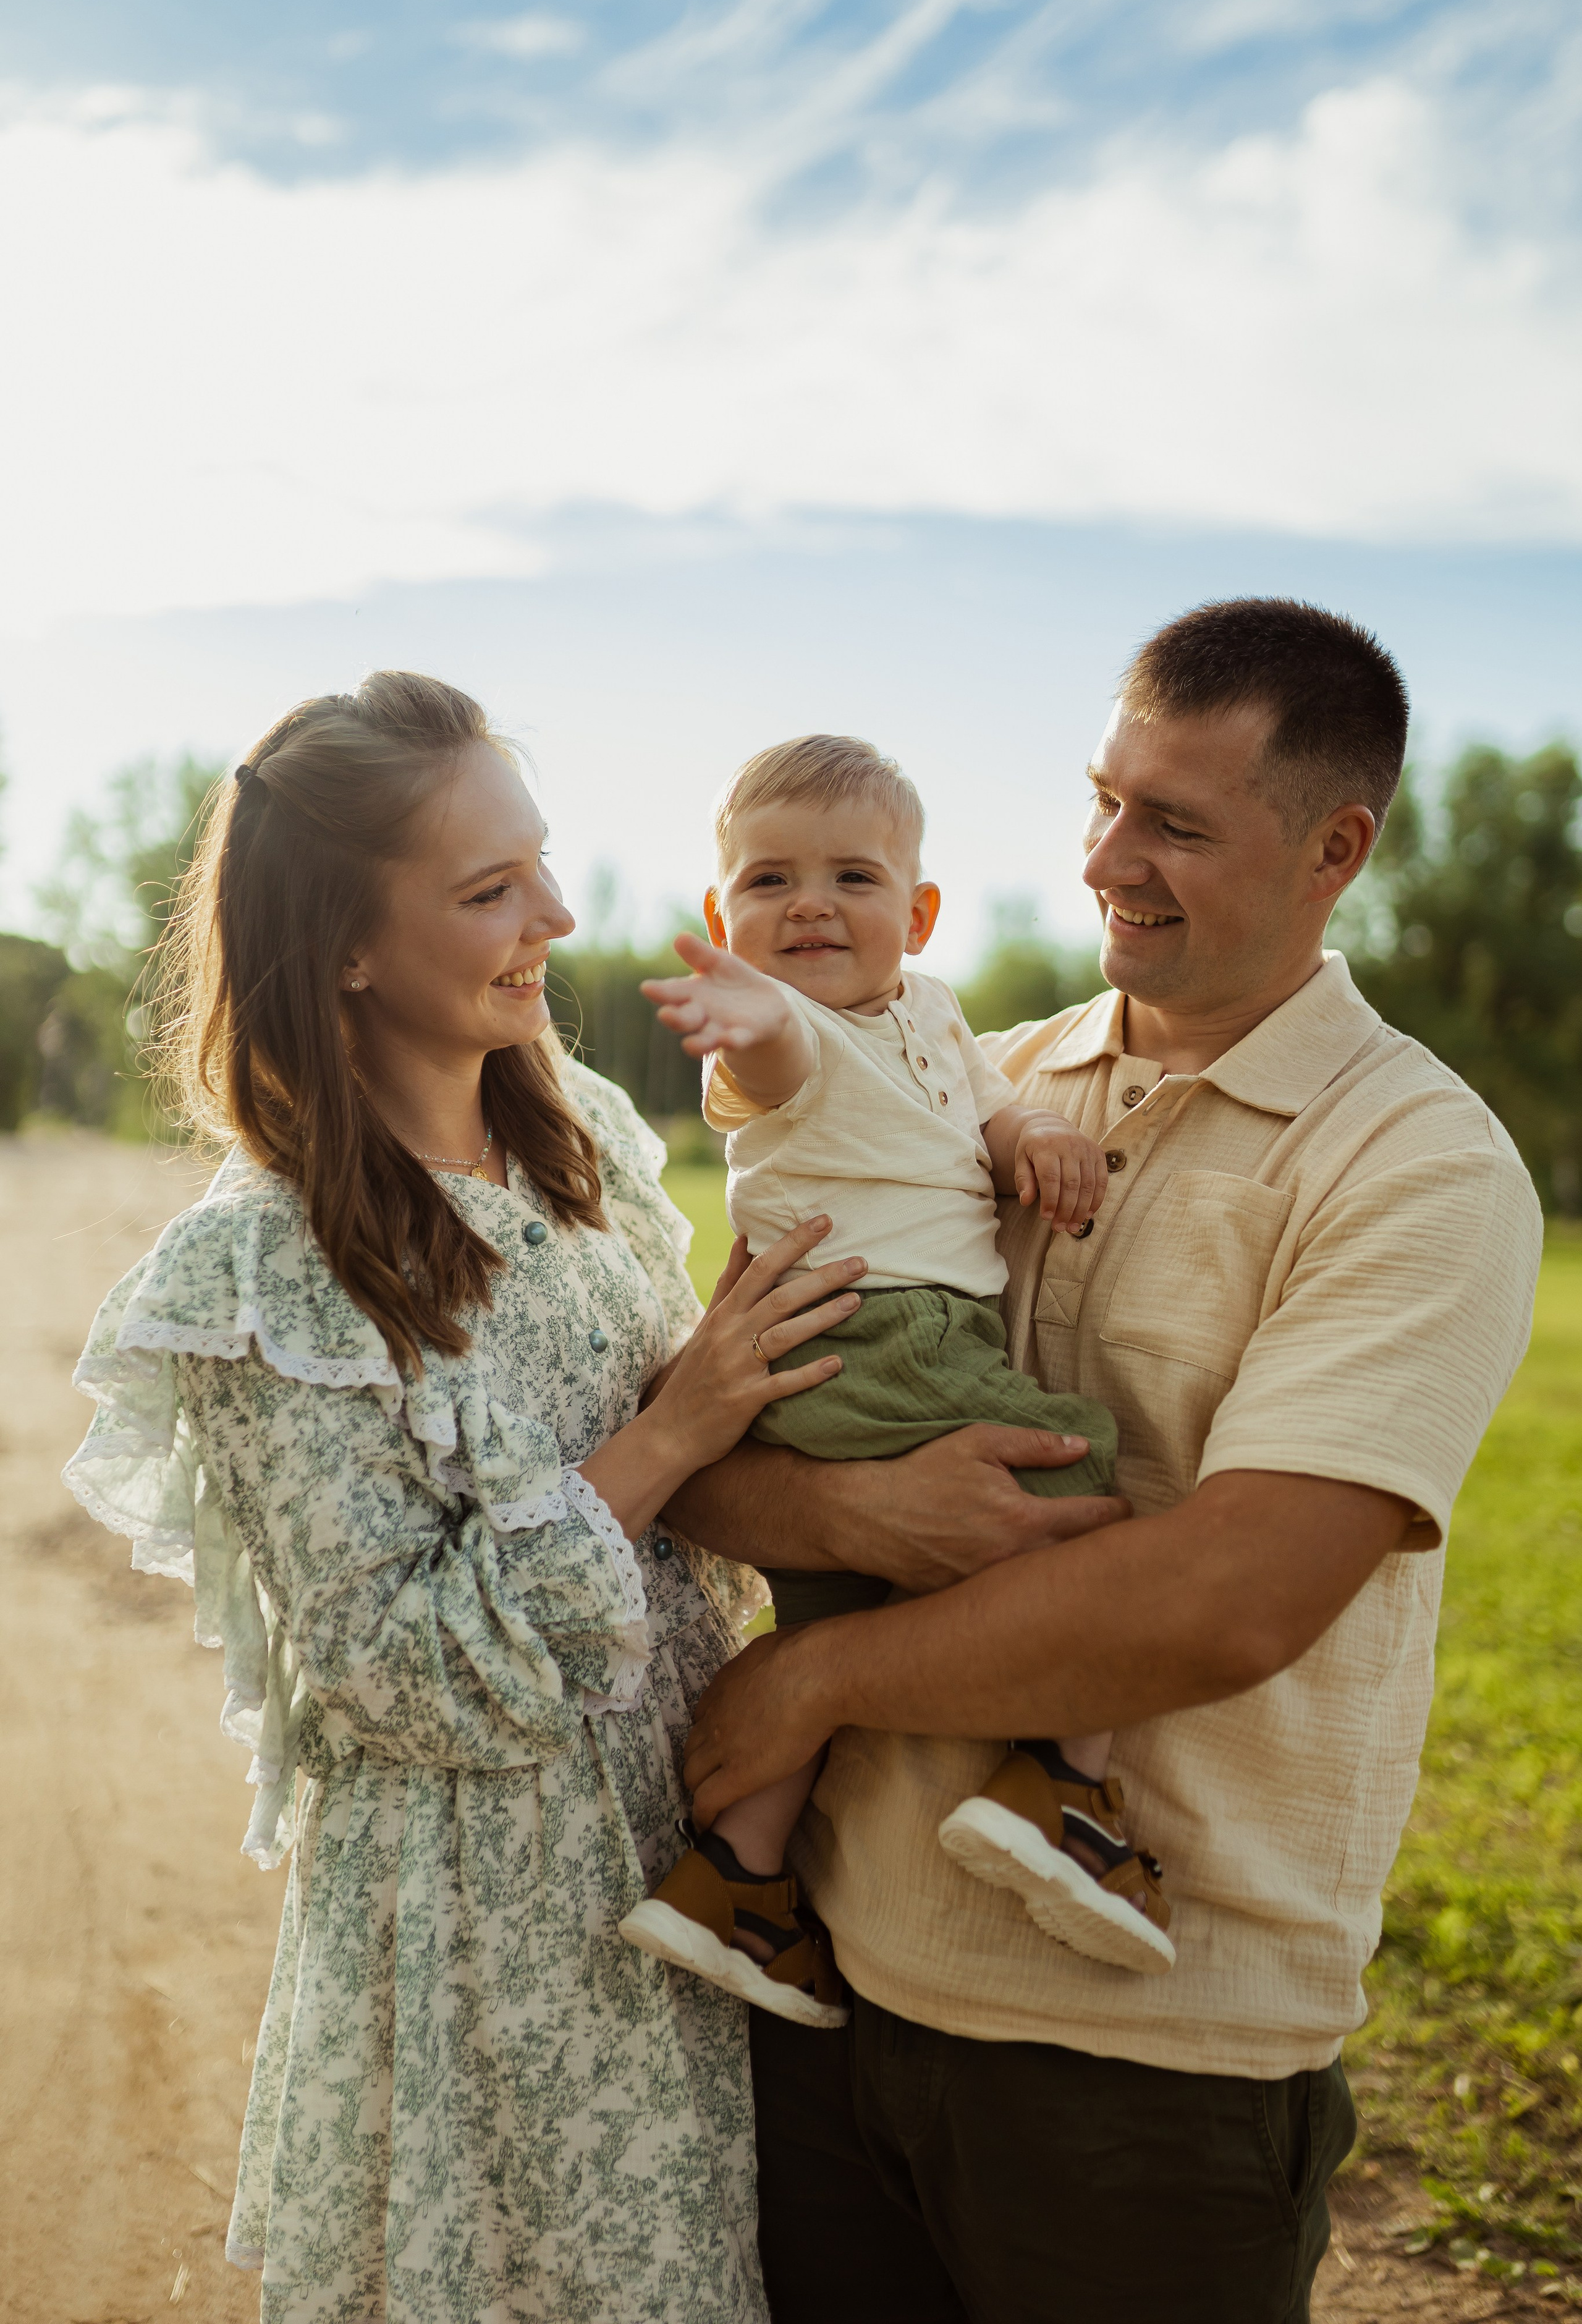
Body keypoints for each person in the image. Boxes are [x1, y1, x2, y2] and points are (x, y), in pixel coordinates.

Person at [665, 601, 1544, 2324]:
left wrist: (809, 1680)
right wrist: (854, 1509)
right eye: (1102, 800)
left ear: (1334, 850)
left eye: (1175, 826)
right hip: (836, 1992)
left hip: (1150, 2062)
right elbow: (704, 1443)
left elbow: (1231, 1601)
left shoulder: (1417, 1166)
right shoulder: (960, 1086)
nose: (1102, 863)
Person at [61, 671, 871, 2324]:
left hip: (693, 1857)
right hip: (487, 1927)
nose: (555, 917)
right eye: (490, 890)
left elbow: (686, 1447)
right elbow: (396, 1671)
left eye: (542, 864)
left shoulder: (580, 1140)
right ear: (346, 950)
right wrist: (674, 1428)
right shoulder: (260, 1271)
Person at [619, 736, 1172, 2026]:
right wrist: (752, 1015)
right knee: (1077, 1480)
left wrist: (1038, 1134)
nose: (809, 906)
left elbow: (989, 1116)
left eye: (851, 878)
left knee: (828, 1608)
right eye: (768, 882)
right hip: (880, 1333)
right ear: (722, 919)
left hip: (855, 1357)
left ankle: (736, 1883)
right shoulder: (781, 1031)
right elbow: (776, 1062)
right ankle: (1063, 1788)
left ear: (917, 916)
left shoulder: (932, 1011)